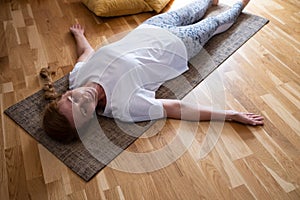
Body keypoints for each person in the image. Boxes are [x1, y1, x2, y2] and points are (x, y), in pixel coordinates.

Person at [41, 0, 264, 143]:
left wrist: (79, 37)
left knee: (199, 4)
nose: (82, 99)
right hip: (180, 45)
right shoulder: (125, 107)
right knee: (222, 19)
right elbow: (176, 108)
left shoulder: (76, 78)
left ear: (64, 95)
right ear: (90, 119)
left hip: (152, 27)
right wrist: (230, 116)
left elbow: (86, 56)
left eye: (71, 100)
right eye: (82, 111)